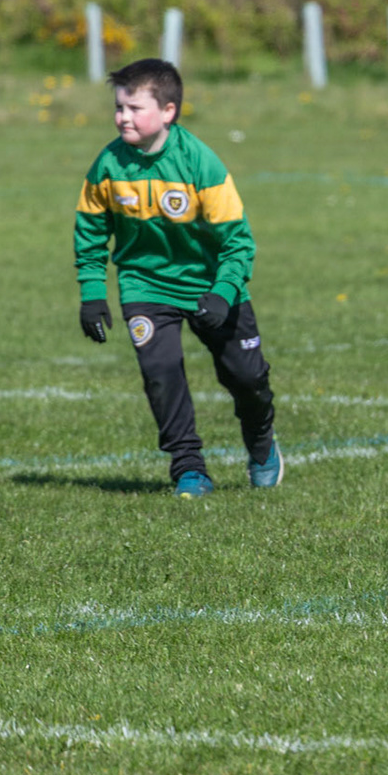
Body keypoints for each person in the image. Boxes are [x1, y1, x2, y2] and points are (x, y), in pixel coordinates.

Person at [74, 58, 281, 499]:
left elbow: (238, 242)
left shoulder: (200, 163)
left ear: (168, 111)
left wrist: (223, 294)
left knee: (246, 379)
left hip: (212, 285)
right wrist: (92, 294)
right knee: (160, 372)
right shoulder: (108, 164)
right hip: (145, 285)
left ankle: (261, 440)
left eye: (135, 108)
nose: (123, 117)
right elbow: (90, 230)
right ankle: (188, 467)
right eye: (118, 107)